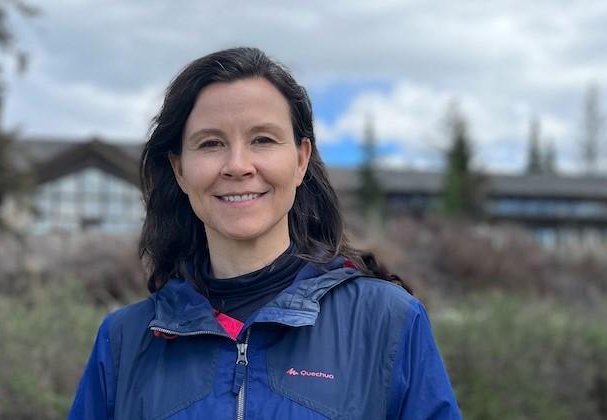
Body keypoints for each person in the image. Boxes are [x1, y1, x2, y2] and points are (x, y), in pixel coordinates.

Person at [68, 47, 461, 420]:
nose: (237, 165)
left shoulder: (388, 321)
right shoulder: (123, 342)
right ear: (179, 169)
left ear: (301, 160)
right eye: (211, 143)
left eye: (263, 140)